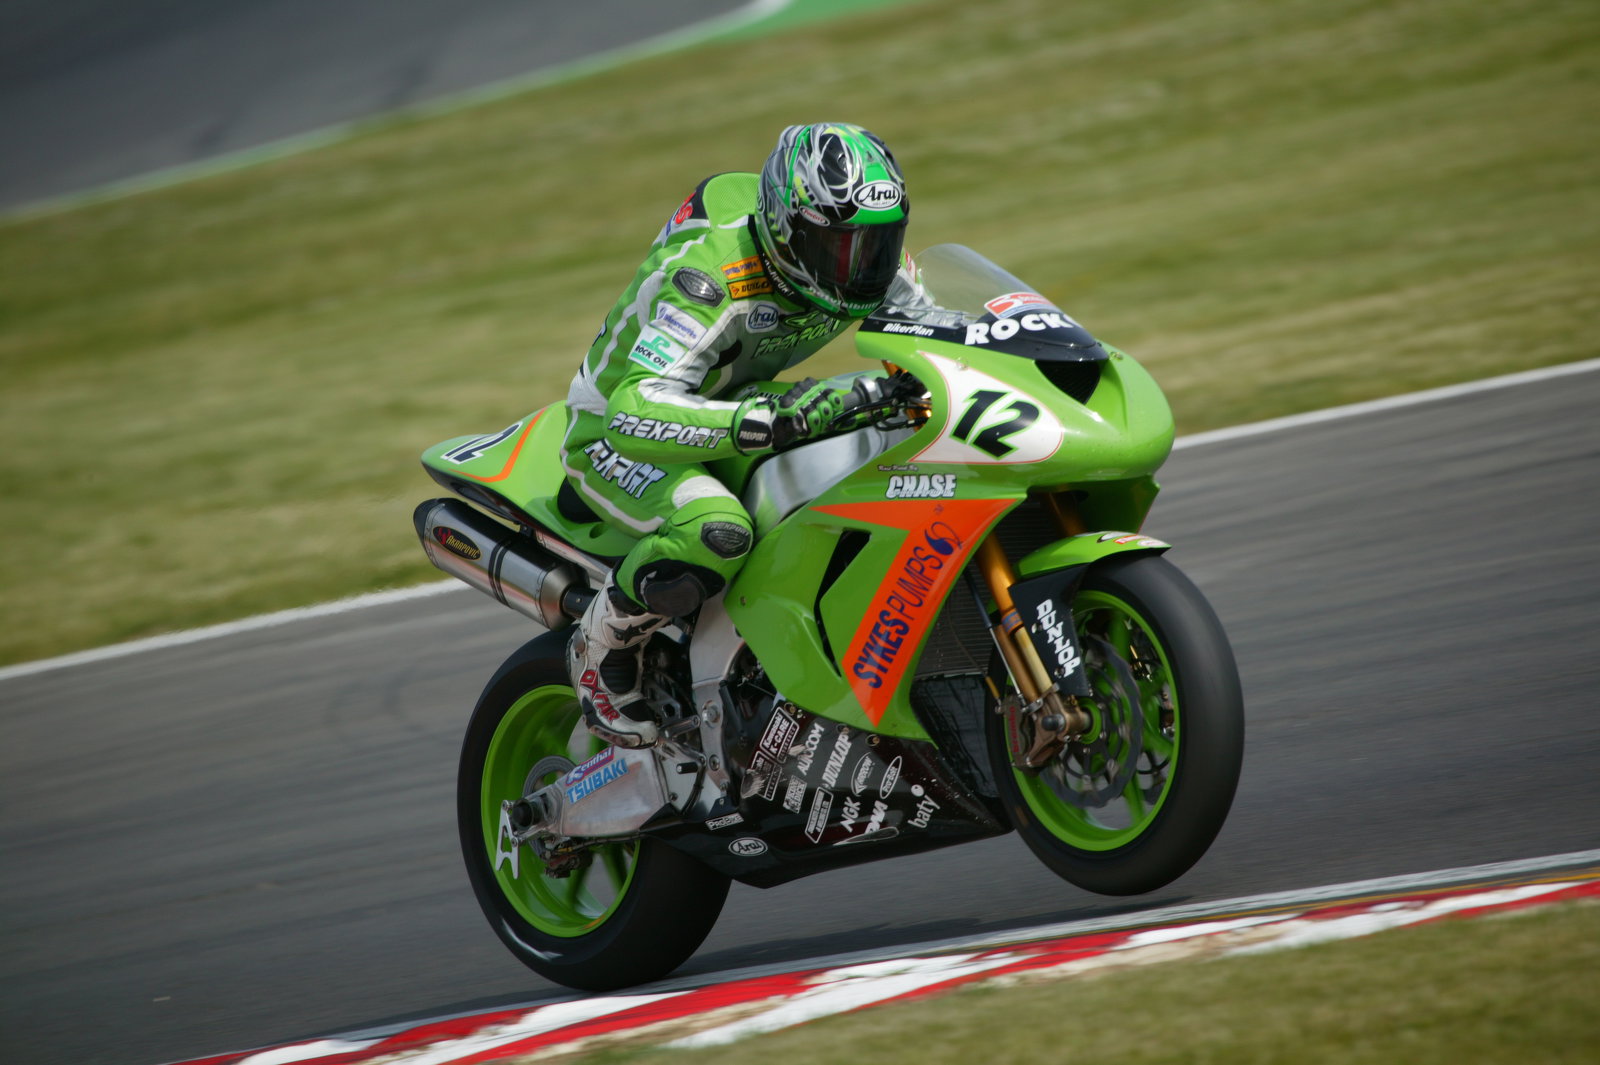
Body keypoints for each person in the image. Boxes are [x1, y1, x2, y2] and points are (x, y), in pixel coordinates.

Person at [560, 122, 913, 748]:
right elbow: (634, 405)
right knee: (716, 531)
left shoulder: (871, 264)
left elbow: (931, 331)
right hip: (624, 433)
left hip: (734, 408)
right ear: (786, 228)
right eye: (840, 248)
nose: (862, 268)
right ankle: (600, 648)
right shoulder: (714, 275)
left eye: (877, 246)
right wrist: (772, 421)